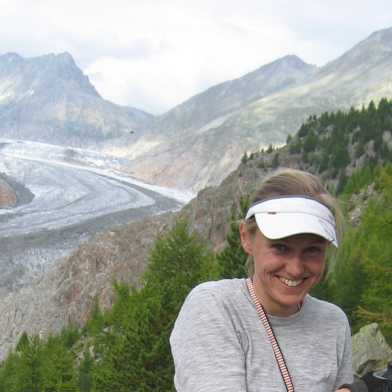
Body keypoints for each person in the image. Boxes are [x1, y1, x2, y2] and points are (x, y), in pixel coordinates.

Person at [170, 168, 366, 392]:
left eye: (312, 250)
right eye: (280, 247)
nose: (295, 269)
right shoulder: (214, 307)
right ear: (246, 238)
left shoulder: (334, 322)